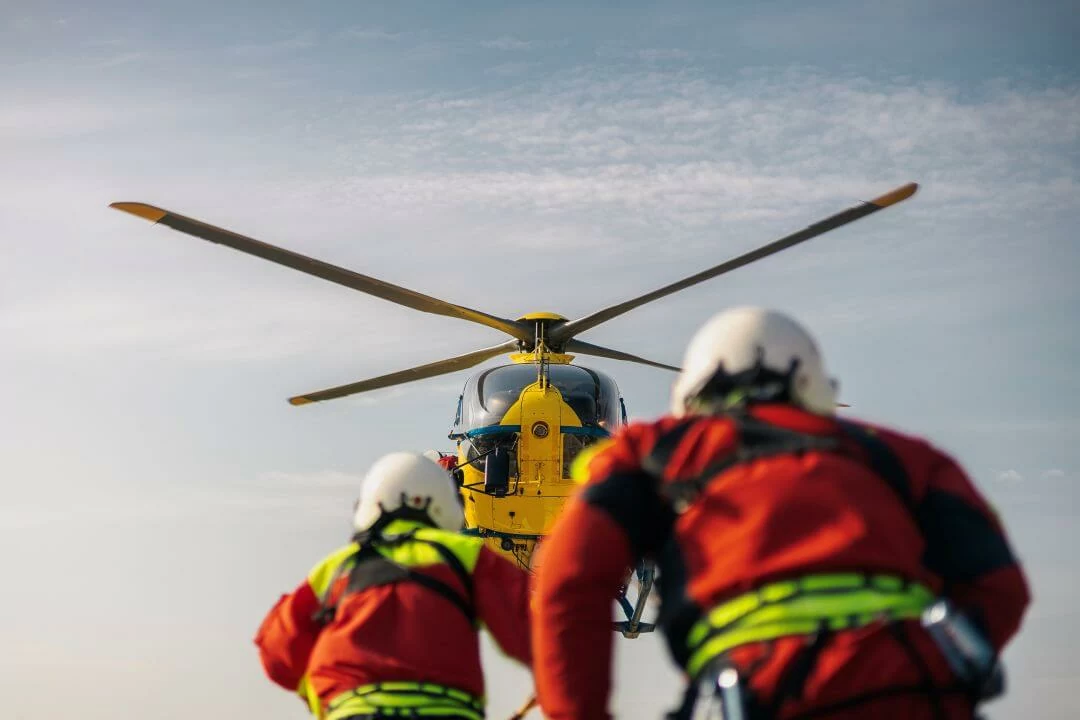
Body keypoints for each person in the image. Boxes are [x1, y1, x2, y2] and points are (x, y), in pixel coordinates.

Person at [531, 307, 1030, 719]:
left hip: (751, 690)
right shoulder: (901, 456)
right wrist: (938, 667)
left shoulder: (650, 450)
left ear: (690, 393)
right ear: (814, 386)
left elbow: (568, 584)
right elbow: (1000, 584)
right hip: (913, 688)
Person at [255, 451, 533, 719]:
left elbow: (276, 649)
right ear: (447, 505)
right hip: (447, 710)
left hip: (352, 711)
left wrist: (322, 695)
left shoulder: (338, 567)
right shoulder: (467, 556)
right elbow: (539, 628)